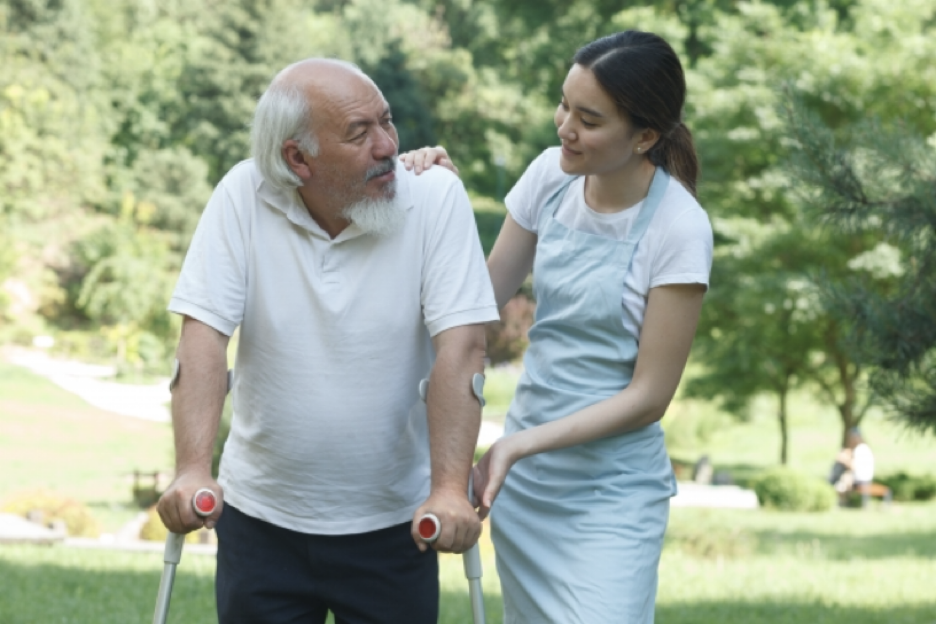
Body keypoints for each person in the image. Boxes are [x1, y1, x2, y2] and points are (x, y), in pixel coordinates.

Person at [156, 58, 500, 624]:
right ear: (298, 159)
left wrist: (448, 488)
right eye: (359, 133)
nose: (387, 145)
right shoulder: (243, 193)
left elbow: (462, 348)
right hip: (260, 519)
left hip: (396, 523)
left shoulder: (435, 197)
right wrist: (192, 468)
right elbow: (202, 336)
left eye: (386, 122)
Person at [403, 30, 713, 623]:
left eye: (589, 120)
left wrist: (516, 444)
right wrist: (436, 197)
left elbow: (650, 397)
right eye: (564, 106)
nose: (566, 127)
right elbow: (475, 302)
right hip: (527, 487)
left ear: (645, 137)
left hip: (611, 494)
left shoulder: (679, 227)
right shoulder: (551, 176)